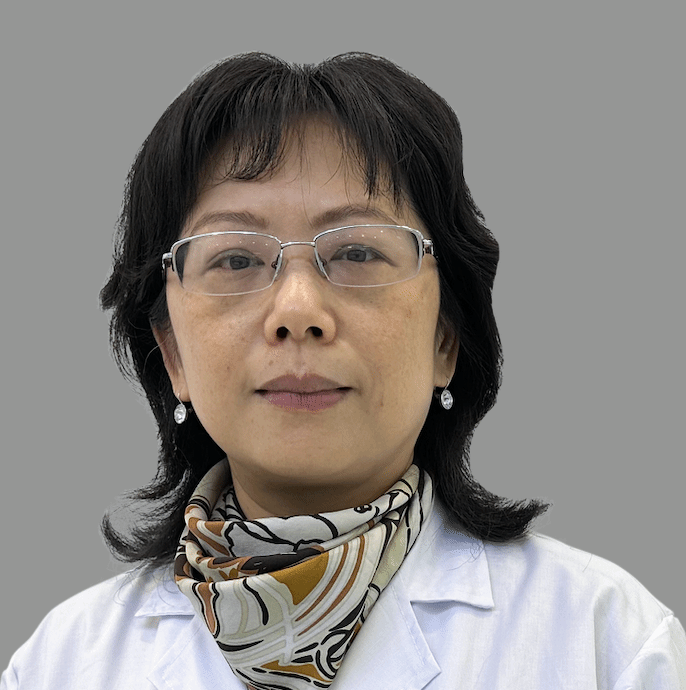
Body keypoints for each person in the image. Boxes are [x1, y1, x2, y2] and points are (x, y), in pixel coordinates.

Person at [2, 52, 684, 690]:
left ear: (446, 337)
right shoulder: (63, 664)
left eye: (357, 252)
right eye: (236, 259)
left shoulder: (606, 643)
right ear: (172, 354)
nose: (298, 311)